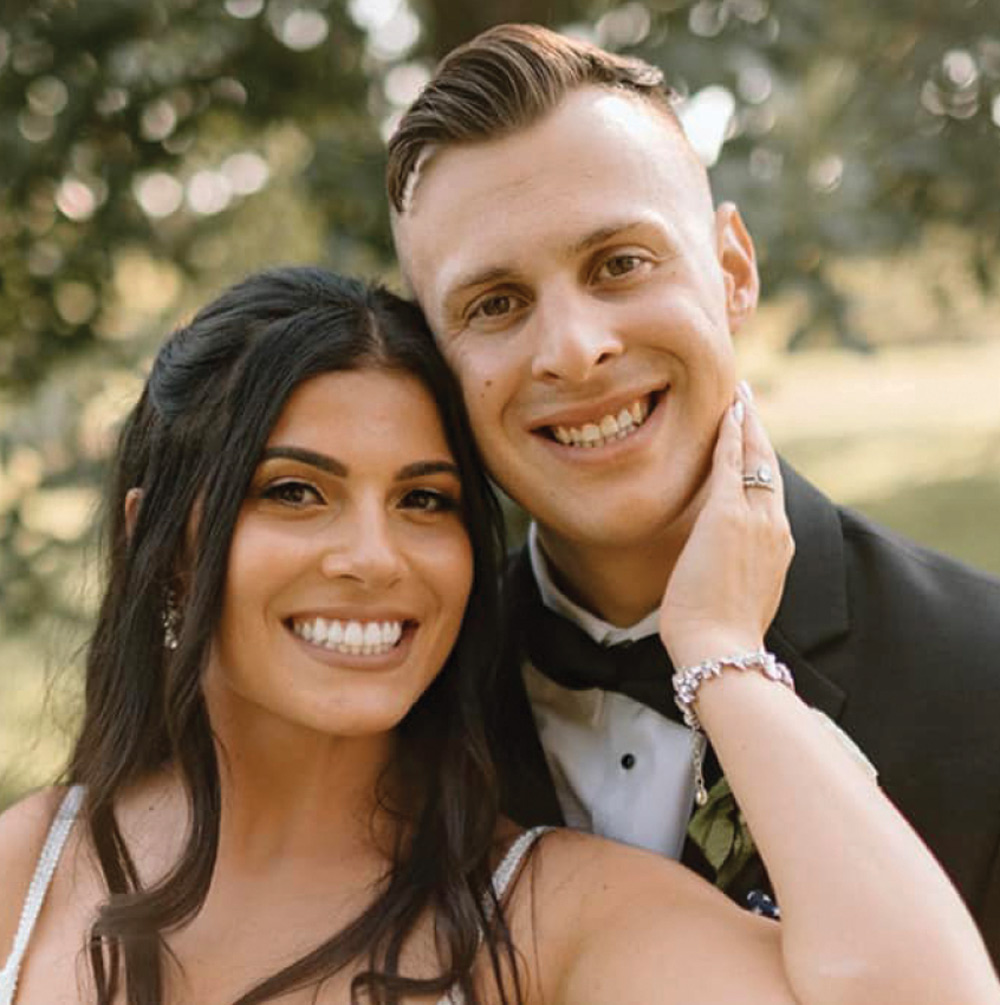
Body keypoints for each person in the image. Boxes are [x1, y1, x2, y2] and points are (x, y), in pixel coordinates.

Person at [1, 266, 997, 1004]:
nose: (374, 556)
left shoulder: (551, 918)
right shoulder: (25, 874)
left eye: (424, 501)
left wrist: (720, 655)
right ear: (160, 544)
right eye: (294, 492)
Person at [387, 23, 1000, 961]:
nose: (573, 348)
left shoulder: (981, 674)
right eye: (496, 304)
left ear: (733, 272)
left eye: (620, 263)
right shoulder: (402, 702)